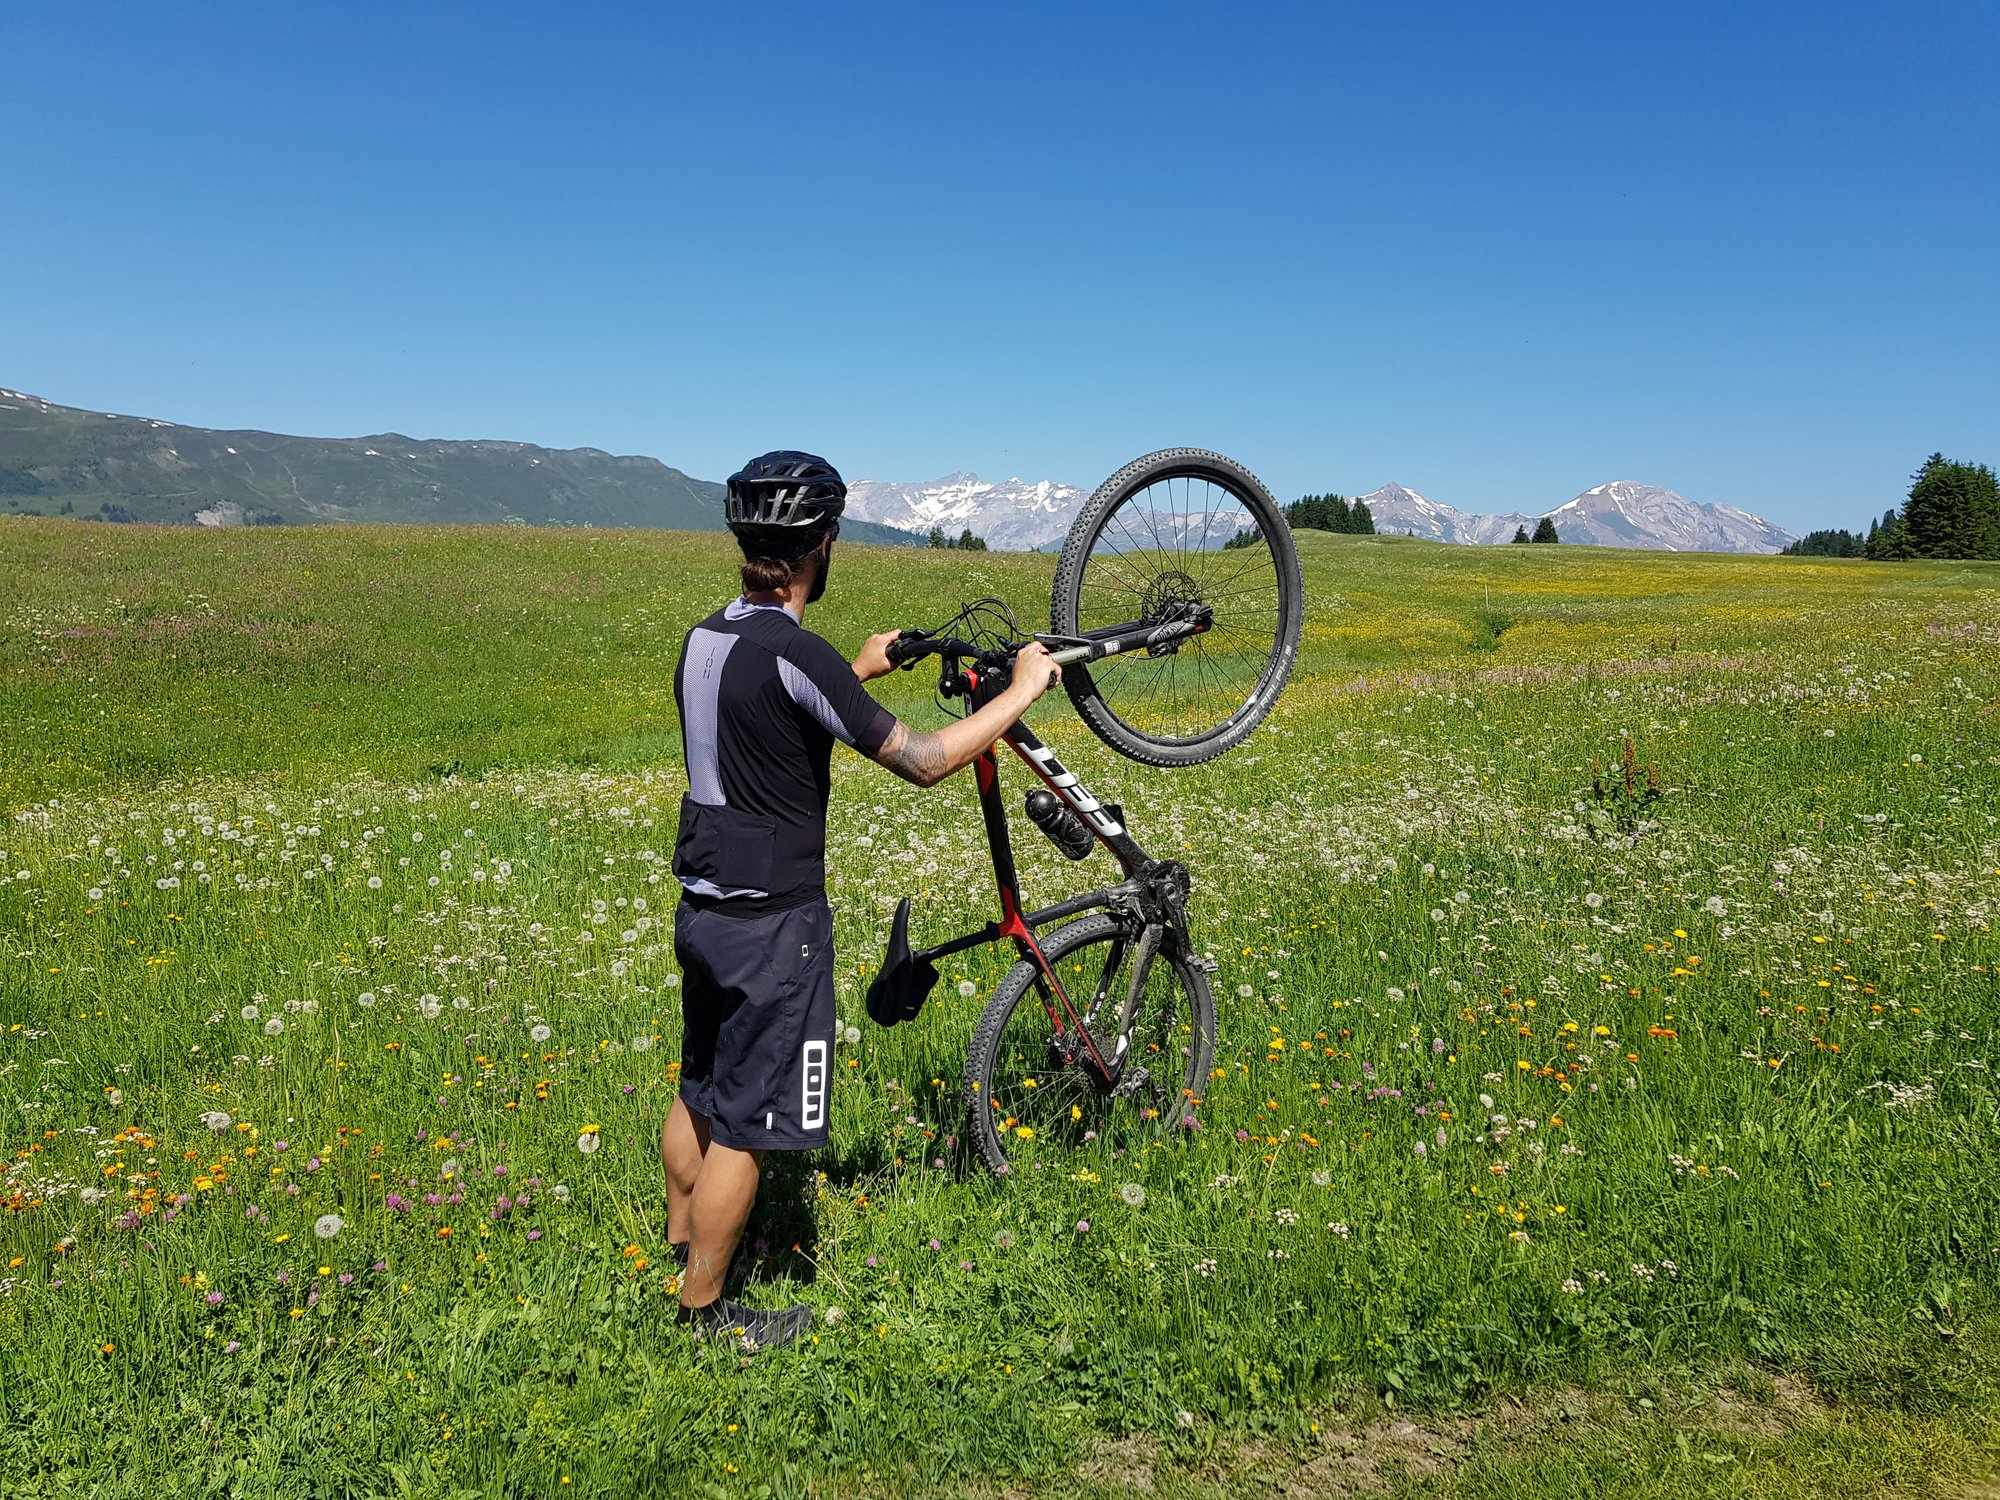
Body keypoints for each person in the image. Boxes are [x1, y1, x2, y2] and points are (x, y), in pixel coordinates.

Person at [662, 450, 1057, 1350]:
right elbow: (923, 761)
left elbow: (766, 700)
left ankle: (683, 1244)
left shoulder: (708, 639)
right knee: (747, 1128)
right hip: (774, 920)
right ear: (821, 547)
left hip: (705, 907)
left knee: (697, 1089)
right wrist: (1026, 690)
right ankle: (707, 1313)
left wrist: (857, 671)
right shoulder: (797, 654)